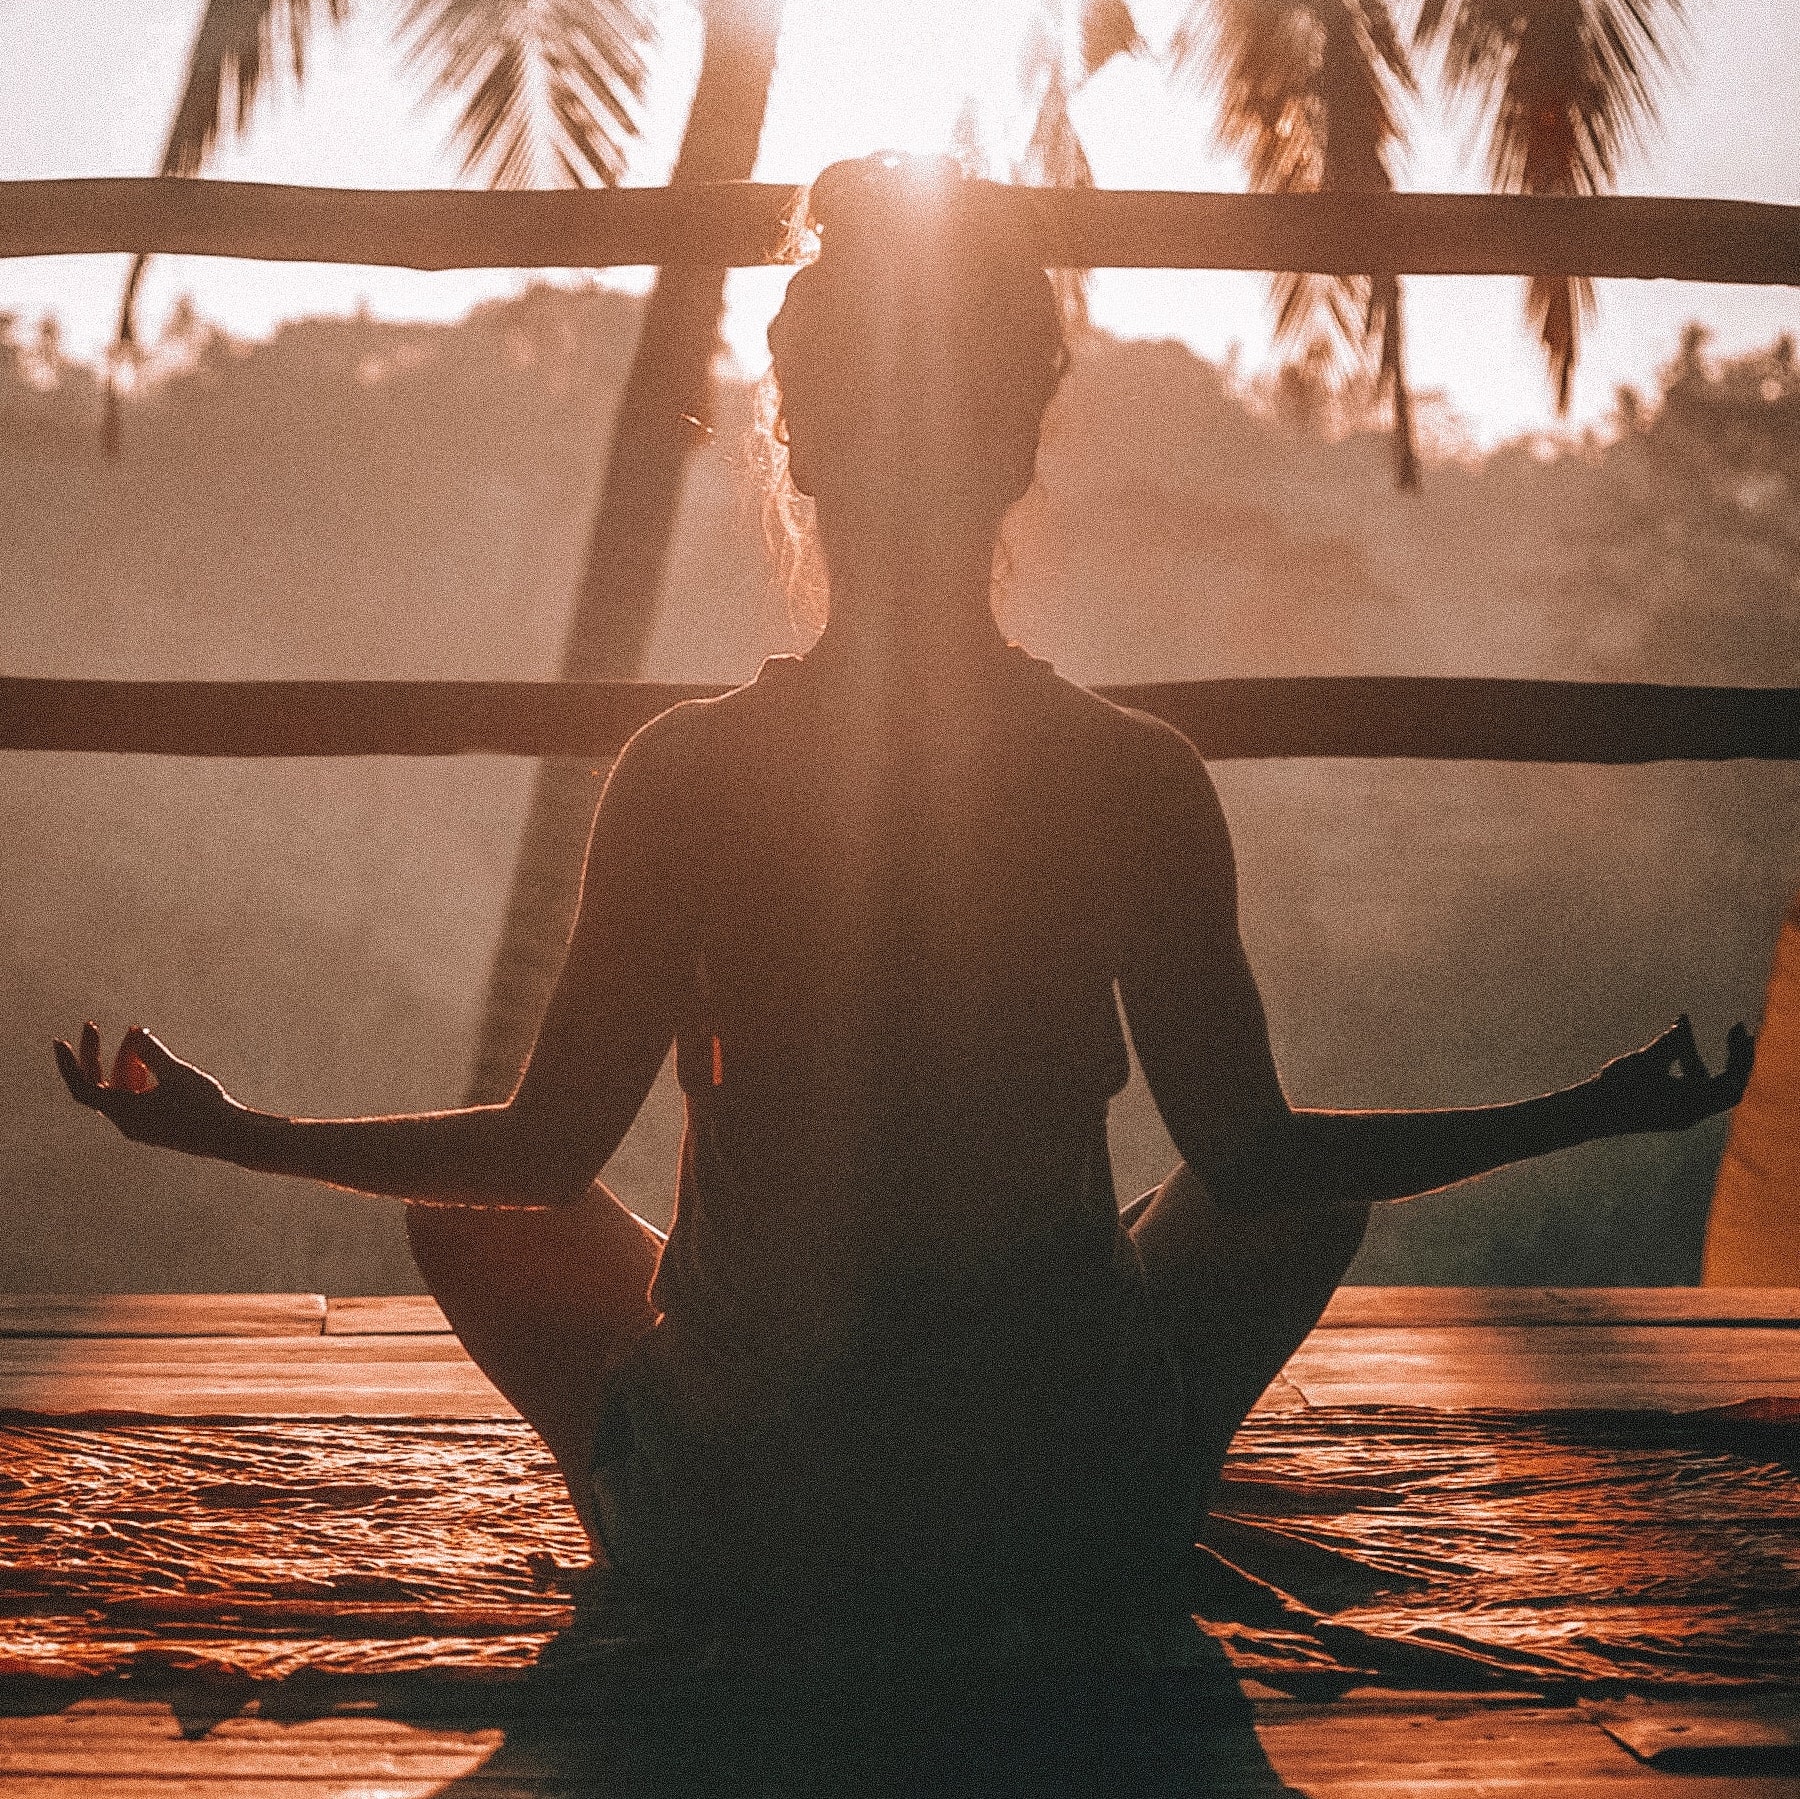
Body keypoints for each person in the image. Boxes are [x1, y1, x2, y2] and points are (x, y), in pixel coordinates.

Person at [57, 154, 1754, 1659]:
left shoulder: (687, 771)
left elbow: (533, 1156)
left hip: (755, 1526)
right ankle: (1123, 1498)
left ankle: (677, 1532)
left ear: (796, 447)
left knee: (468, 1218)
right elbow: (1259, 1161)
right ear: (1018, 447)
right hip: (1059, 1513)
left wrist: (237, 1129)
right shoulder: (1134, 772)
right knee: (1295, 1194)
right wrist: (1589, 1110)